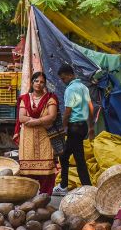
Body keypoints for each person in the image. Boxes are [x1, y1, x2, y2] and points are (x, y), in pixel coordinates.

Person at [14, 71, 59, 195]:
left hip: (44, 136)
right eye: (36, 81)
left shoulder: (50, 98)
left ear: (45, 84)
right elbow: (22, 118)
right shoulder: (25, 98)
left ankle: (44, 196)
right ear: (32, 82)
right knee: (27, 167)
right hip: (27, 138)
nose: (39, 84)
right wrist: (41, 121)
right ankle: (28, 195)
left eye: (42, 82)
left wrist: (34, 121)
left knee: (46, 168)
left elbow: (52, 116)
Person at [53, 64, 94, 195]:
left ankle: (87, 188)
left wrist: (64, 126)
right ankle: (65, 184)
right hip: (83, 127)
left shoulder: (70, 89)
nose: (63, 81)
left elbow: (68, 110)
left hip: (74, 127)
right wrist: (91, 126)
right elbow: (91, 107)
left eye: (63, 78)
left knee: (78, 158)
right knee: (65, 156)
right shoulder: (83, 87)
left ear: (70, 75)